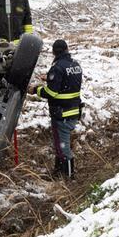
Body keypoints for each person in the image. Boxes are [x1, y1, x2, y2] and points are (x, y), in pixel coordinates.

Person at [32, 39, 82, 179]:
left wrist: (36, 89)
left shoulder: (57, 67)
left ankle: (68, 177)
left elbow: (51, 93)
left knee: (62, 147)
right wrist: (49, 78)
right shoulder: (75, 65)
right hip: (73, 111)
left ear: (54, 52)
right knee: (60, 145)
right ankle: (58, 172)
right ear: (66, 49)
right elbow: (67, 82)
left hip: (62, 113)